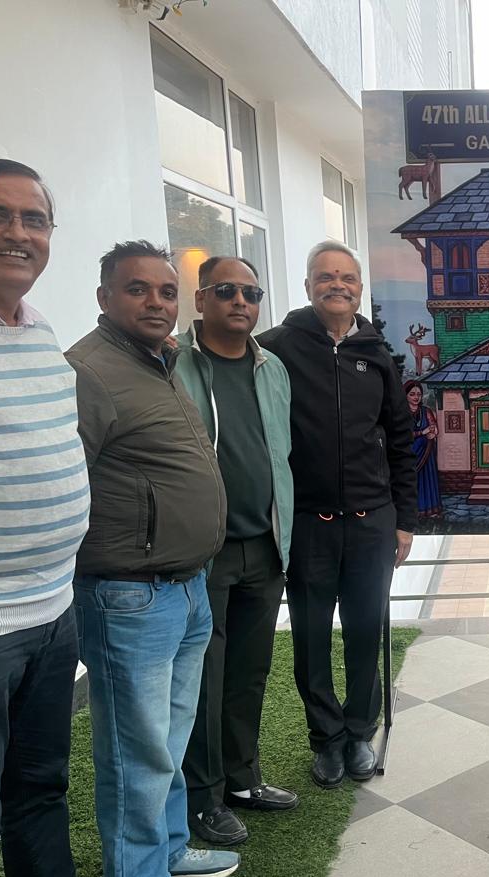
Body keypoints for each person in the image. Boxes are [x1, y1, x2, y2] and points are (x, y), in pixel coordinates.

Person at [0, 160, 150, 877]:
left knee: (38, 788)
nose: (18, 233)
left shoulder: (38, 329)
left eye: (35, 219)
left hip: (51, 614)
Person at [67, 241, 237, 877]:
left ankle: (167, 849)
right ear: (104, 297)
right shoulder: (88, 371)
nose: (156, 302)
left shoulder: (158, 363)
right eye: (138, 289)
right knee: (135, 750)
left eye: (167, 291)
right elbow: (65, 486)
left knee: (168, 737)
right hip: (128, 595)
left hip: (184, 586)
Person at [257, 241, 416, 787]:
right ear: (308, 287)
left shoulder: (377, 354)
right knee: (310, 637)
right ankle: (325, 739)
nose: (337, 285)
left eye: (347, 278)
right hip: (309, 524)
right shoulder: (274, 349)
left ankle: (358, 732)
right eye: (326, 277)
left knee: (366, 632)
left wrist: (404, 520)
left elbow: (401, 440)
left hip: (373, 523)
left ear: (359, 290)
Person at [174, 256, 296, 847]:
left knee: (249, 670)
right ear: (201, 299)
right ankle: (203, 798)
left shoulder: (271, 367)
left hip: (264, 545)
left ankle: (243, 778)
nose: (241, 301)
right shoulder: (173, 363)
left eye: (251, 292)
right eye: (226, 290)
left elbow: (279, 452)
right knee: (204, 677)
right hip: (206, 550)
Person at [405, 379, 442, 519]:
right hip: (409, 454)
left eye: (419, 394)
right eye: (412, 394)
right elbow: (401, 434)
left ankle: (430, 510)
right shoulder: (401, 413)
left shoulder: (426, 411)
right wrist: (422, 432)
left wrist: (433, 432)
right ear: (405, 395)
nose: (416, 397)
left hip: (426, 455)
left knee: (427, 482)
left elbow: (433, 427)